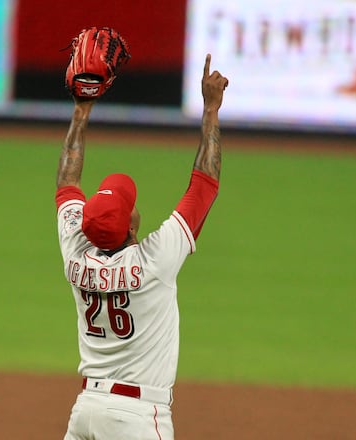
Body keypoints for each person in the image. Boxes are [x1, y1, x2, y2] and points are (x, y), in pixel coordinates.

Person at [55, 54, 229, 440]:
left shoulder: (74, 251)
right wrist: (211, 110)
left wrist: (81, 109)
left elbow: (68, 178)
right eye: (130, 207)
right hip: (135, 418)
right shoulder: (155, 260)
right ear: (131, 224)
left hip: (84, 412)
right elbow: (204, 184)